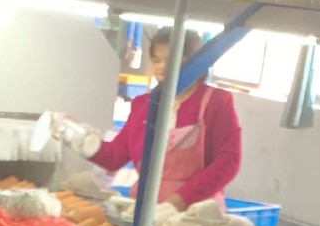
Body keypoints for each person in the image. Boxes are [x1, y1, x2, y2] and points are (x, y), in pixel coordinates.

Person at [91, 29, 242, 212]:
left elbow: (228, 161)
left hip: (194, 213)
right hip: (143, 209)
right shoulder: (144, 105)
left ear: (195, 61)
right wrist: (80, 138)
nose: (162, 67)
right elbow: (114, 157)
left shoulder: (215, 102)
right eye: (156, 60)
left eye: (171, 60)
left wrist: (179, 201)